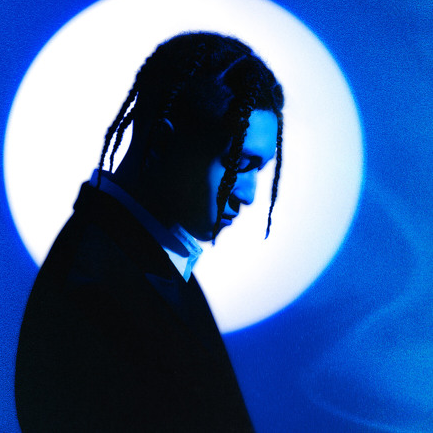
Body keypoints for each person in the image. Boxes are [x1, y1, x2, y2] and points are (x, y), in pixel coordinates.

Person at [15, 32, 284, 432]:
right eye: (238, 163)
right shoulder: (96, 288)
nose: (248, 195)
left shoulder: (144, 262)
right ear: (161, 141)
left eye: (259, 168)